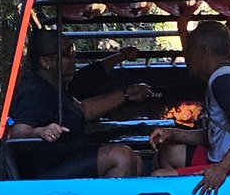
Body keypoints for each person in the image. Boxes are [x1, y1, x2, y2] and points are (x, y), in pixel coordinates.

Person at [150, 20, 230, 195]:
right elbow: (216, 136)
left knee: (157, 178)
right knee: (168, 151)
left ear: (203, 51)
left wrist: (222, 168)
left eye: (189, 51)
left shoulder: (222, 81)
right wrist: (173, 134)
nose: (187, 58)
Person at [9, 29, 152, 178]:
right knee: (121, 157)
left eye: (72, 50)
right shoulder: (34, 91)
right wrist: (40, 132)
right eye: (67, 52)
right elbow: (17, 133)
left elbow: (83, 110)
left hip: (70, 156)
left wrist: (126, 94)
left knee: (136, 159)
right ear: (46, 62)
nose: (73, 56)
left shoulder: (55, 87)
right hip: (47, 169)